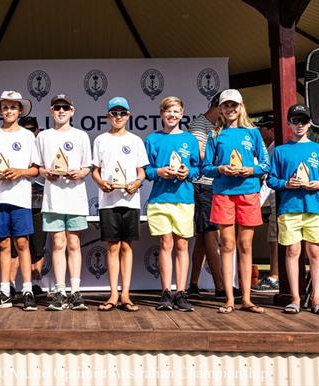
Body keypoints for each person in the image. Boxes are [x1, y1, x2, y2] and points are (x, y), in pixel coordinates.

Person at [203, 89, 269, 314]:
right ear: (220, 109)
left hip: (248, 192)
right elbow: (205, 168)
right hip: (223, 193)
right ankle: (230, 298)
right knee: (228, 244)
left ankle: (247, 299)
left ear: (241, 107)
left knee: (245, 244)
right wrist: (220, 168)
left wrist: (251, 170)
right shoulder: (215, 134)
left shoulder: (253, 133)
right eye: (226, 106)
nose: (230, 110)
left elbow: (266, 165)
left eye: (234, 105)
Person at [266, 105, 319, 315]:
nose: (300, 125)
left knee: (314, 252)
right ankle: (295, 297)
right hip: (289, 208)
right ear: (289, 124)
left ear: (310, 123)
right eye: (295, 121)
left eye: (303, 121)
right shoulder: (280, 150)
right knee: (292, 251)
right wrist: (287, 184)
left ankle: (316, 297)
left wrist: (318, 185)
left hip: (314, 207)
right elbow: (271, 180)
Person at [0, 91, 40, 311]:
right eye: (5, 107)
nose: (9, 111)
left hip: (20, 197)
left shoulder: (28, 136)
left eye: (13, 107)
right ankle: (5, 291)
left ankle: (27, 290)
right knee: (3, 244)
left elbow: (36, 169)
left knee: (22, 243)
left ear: (20, 110)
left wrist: (19, 172)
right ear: (0, 110)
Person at [92, 97, 148, 312]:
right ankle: (113, 293)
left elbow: (141, 171)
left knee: (126, 246)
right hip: (108, 201)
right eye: (114, 113)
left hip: (130, 200)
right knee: (112, 246)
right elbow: (95, 170)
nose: (118, 117)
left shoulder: (135, 141)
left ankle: (126, 293)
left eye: (122, 113)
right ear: (108, 116)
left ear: (128, 115)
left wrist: (137, 182)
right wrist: (100, 182)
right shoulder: (100, 140)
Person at [36, 94, 92, 311]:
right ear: (51, 111)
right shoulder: (43, 137)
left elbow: (88, 166)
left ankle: (75, 291)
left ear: (72, 110)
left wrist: (81, 173)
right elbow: (37, 166)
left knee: (74, 244)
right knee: (58, 244)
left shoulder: (81, 136)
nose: (61, 111)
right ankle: (60, 291)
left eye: (65, 108)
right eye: (57, 108)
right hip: (53, 199)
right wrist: (45, 172)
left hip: (75, 198)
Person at [145, 96, 200, 312]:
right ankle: (166, 292)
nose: (172, 115)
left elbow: (198, 168)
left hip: (184, 199)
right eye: (168, 111)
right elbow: (145, 170)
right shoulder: (152, 139)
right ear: (161, 114)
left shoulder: (190, 140)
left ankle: (181, 292)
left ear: (182, 114)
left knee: (182, 245)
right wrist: (158, 172)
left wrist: (188, 172)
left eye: (176, 111)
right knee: (165, 244)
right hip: (160, 200)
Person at [186, 93, 225, 299]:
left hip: (214, 185)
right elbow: (198, 154)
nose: (227, 113)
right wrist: (222, 157)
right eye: (224, 107)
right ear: (216, 106)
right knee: (210, 233)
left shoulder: (217, 128)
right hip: (203, 184)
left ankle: (193, 284)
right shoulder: (199, 125)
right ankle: (220, 287)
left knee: (202, 236)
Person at [11, 115, 47, 298]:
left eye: (32, 129)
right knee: (15, 244)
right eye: (25, 129)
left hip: (39, 199)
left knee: (38, 245)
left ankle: (36, 283)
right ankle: (10, 284)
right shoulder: (13, 145)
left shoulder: (44, 147)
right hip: (17, 198)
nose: (29, 132)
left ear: (37, 130)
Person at [253, 114, 280, 293]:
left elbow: (269, 181)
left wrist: (256, 204)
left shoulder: (276, 147)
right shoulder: (268, 148)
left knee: (276, 239)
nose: (259, 131)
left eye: (262, 128)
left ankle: (276, 277)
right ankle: (275, 274)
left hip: (279, 199)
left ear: (271, 129)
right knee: (273, 238)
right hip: (273, 201)